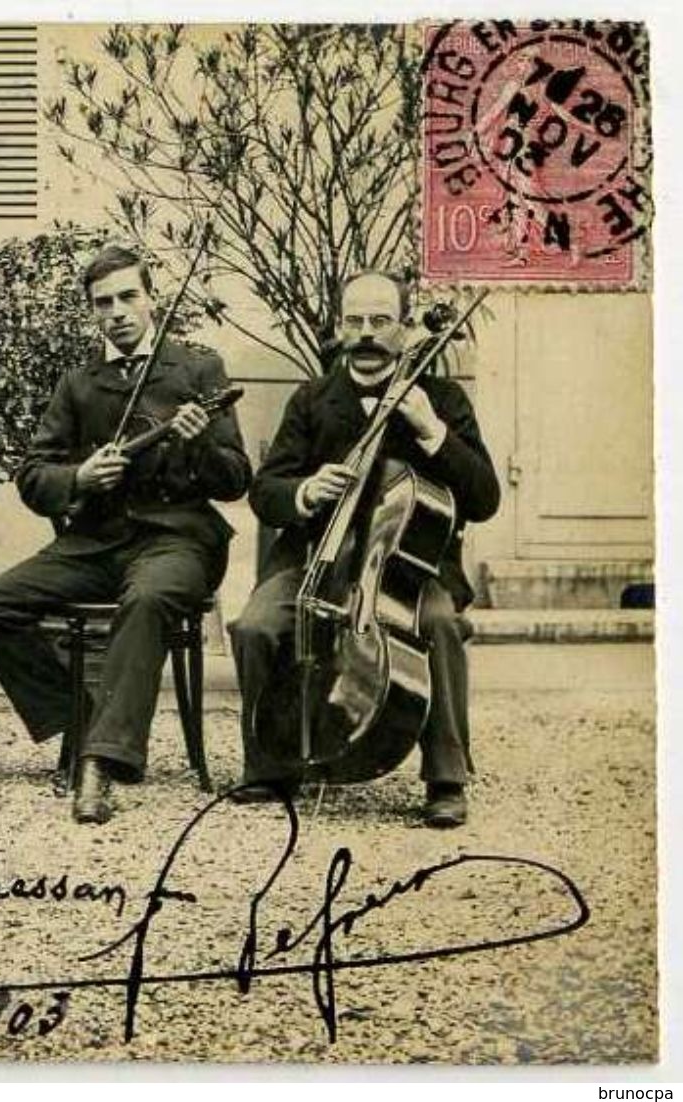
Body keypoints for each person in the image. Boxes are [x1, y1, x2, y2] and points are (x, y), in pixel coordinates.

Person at [0, 244, 251, 824]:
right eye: (103, 303)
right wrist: (81, 476)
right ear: (91, 312)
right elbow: (33, 476)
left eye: (128, 297)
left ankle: (98, 763)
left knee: (146, 600)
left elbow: (236, 480)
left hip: (178, 540)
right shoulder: (78, 384)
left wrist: (197, 442)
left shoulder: (197, 370)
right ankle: (83, 722)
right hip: (94, 542)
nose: (117, 311)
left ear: (152, 300)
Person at [229, 270, 501, 828]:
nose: (367, 334)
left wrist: (432, 432)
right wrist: (304, 491)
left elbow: (484, 497)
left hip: (408, 567)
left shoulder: (441, 399)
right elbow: (266, 490)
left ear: (404, 329)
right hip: (315, 560)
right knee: (255, 626)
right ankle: (268, 766)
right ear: (339, 327)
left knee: (442, 624)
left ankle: (445, 776)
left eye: (381, 321)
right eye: (355, 321)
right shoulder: (312, 398)